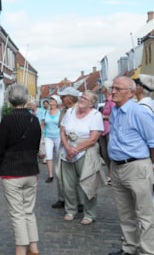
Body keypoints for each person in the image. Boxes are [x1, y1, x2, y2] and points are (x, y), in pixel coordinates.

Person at [0, 84, 41, 255]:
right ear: (27, 100)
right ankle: (33, 248)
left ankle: (20, 251)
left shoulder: (7, 120)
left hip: (11, 171)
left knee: (17, 214)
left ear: (10, 100)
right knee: (29, 211)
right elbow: (36, 144)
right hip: (30, 170)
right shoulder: (34, 120)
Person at [107, 76, 154, 255]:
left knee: (145, 215)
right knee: (125, 213)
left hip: (137, 167)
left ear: (131, 92)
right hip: (118, 167)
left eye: (118, 89)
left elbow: (153, 141)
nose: (113, 92)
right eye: (113, 88)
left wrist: (150, 164)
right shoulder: (115, 111)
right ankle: (129, 248)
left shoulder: (140, 112)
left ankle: (147, 252)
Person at [59, 91, 105, 225]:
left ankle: (89, 213)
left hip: (85, 152)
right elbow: (62, 131)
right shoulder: (70, 112)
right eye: (82, 97)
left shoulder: (96, 115)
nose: (82, 99)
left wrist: (75, 150)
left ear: (92, 103)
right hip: (67, 151)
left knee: (88, 184)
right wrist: (67, 148)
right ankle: (71, 210)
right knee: (67, 184)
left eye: (85, 98)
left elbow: (93, 139)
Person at [52, 86, 81, 210]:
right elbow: (60, 125)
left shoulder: (79, 109)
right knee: (60, 172)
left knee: (78, 174)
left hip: (76, 144)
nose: (61, 99)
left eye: (63, 97)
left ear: (70, 98)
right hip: (63, 143)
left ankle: (80, 201)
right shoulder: (64, 110)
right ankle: (63, 198)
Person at [41, 95, 62, 183]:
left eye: (52, 99)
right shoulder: (45, 112)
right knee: (49, 155)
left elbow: (63, 124)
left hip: (58, 136)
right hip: (48, 136)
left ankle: (60, 173)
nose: (50, 100)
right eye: (50, 99)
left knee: (59, 155)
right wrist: (43, 133)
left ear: (57, 102)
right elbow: (42, 124)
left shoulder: (61, 112)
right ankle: (50, 175)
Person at [99, 80, 115, 185]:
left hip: (109, 130)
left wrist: (103, 116)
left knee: (110, 154)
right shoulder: (106, 101)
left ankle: (112, 176)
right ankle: (109, 174)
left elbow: (115, 117)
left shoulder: (112, 101)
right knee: (104, 154)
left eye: (103, 86)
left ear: (106, 88)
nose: (101, 88)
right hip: (103, 131)